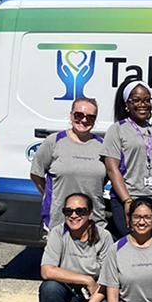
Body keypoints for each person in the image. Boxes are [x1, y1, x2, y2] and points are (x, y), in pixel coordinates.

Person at [36, 191, 112, 302]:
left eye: (80, 211)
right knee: (48, 288)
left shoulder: (104, 237)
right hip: (69, 285)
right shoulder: (58, 233)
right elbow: (47, 271)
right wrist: (86, 279)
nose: (74, 215)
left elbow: (109, 279)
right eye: (68, 211)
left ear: (90, 214)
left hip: (95, 290)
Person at [31, 98, 112, 233]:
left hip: (94, 223)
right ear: (71, 115)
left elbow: (107, 176)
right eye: (79, 115)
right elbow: (36, 174)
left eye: (90, 117)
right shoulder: (54, 141)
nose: (84, 120)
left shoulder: (102, 146)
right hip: (60, 222)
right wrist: (52, 195)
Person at [103, 83, 152, 242]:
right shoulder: (117, 130)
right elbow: (112, 170)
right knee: (129, 244)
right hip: (130, 197)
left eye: (147, 100)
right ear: (127, 105)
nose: (143, 105)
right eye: (137, 100)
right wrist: (127, 201)